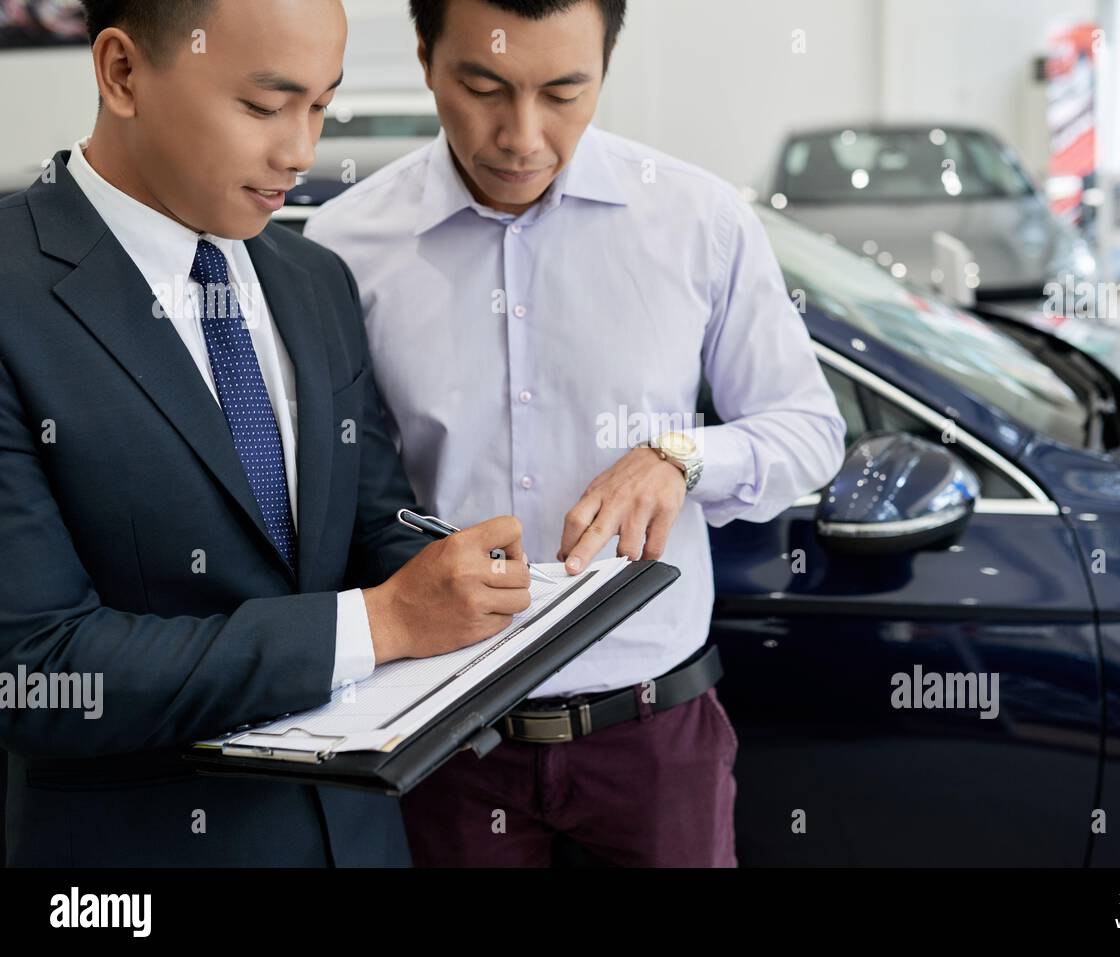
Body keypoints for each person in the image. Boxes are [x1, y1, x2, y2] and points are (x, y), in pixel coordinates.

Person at [306, 0, 847, 867]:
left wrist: (683, 455)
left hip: (653, 739)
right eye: (483, 86)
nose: (522, 136)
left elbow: (811, 431)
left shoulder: (696, 222)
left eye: (564, 91)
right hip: (440, 743)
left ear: (607, 62)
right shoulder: (345, 247)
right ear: (423, 55)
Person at [0, 0, 532, 866]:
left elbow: (370, 526)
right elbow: (38, 669)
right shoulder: (12, 293)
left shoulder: (313, 279)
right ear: (122, 73)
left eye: (321, 105)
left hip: (356, 839)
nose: (300, 151)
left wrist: (480, 591)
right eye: (263, 106)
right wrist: (379, 624)